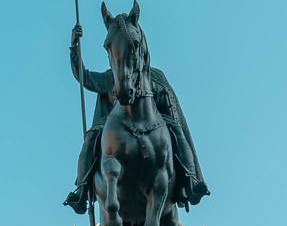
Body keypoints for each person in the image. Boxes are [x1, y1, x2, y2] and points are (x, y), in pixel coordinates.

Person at [64, 23, 209, 215]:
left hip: (153, 123)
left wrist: (158, 92)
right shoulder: (110, 77)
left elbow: (167, 99)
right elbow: (84, 76)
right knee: (92, 137)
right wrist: (75, 46)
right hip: (115, 126)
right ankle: (81, 190)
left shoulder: (155, 75)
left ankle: (190, 180)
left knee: (176, 132)